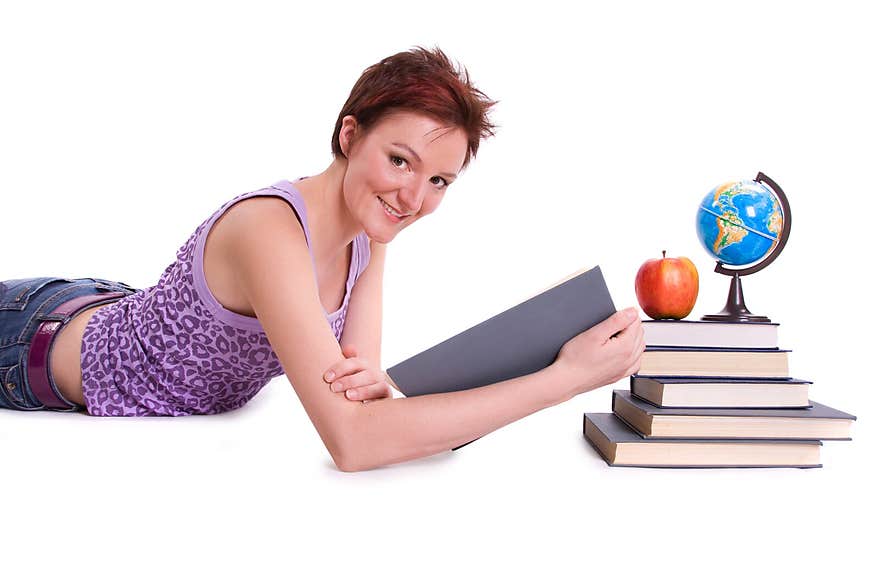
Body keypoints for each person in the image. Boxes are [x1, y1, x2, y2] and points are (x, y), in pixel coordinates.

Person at [0, 46, 645, 470]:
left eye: (439, 182)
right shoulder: (269, 230)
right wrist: (565, 379)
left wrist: (379, 399)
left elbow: (368, 404)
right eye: (401, 161)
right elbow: (355, 442)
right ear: (349, 133)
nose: (414, 197)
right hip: (32, 342)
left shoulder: (370, 236)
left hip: (109, 303)